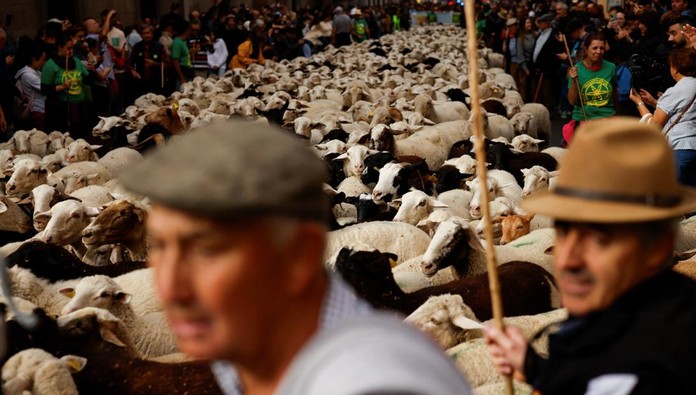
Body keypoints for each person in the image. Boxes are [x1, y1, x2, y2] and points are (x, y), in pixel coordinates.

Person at [119, 120, 474, 395]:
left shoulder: (371, 383)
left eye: (206, 251)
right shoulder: (251, 360)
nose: (169, 287)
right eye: (161, 247)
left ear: (299, 255)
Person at [484, 118, 696, 394]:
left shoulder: (645, 375)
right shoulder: (636, 318)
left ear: (657, 248)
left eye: (599, 238)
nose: (566, 260)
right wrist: (535, 369)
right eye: (564, 231)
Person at [630, 47, 696, 189]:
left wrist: (639, 103)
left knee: (670, 199)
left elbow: (654, 125)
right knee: (694, 200)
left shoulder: (676, 90)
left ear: (675, 68)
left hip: (680, 149)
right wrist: (655, 103)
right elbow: (685, 111)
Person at [40, 32, 92, 139]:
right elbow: (44, 89)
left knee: (83, 136)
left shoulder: (76, 61)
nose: (71, 51)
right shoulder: (50, 65)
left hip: (80, 106)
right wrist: (62, 87)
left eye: (72, 48)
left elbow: (88, 80)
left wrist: (93, 71)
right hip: (62, 109)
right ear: (60, 47)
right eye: (68, 48)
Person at [567, 32, 618, 125]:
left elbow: (615, 93)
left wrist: (617, 115)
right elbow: (572, 101)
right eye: (595, 48)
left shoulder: (611, 67)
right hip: (584, 118)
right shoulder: (575, 69)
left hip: (607, 117)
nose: (599, 52)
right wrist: (574, 81)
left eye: (602, 48)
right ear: (586, 49)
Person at [532, 13, 566, 114]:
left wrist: (543, 66)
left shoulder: (554, 35)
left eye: (541, 22)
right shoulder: (540, 33)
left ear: (547, 23)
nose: (538, 24)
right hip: (537, 68)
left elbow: (555, 53)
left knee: (547, 94)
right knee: (537, 94)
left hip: (547, 71)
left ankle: (546, 115)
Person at [14, 43, 47, 131]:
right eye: (42, 60)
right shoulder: (28, 75)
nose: (44, 62)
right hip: (37, 109)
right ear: (34, 59)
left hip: (41, 107)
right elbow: (46, 88)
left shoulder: (36, 71)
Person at [127, 24, 164, 98]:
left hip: (156, 83)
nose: (146, 35)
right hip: (141, 83)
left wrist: (154, 64)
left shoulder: (159, 47)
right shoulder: (137, 47)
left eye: (148, 33)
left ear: (152, 34)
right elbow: (129, 63)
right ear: (141, 35)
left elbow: (168, 64)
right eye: (143, 33)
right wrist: (132, 71)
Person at [170, 19, 193, 88]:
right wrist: (181, 78)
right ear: (186, 30)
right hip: (182, 74)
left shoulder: (183, 42)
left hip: (187, 72)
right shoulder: (177, 42)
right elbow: (175, 61)